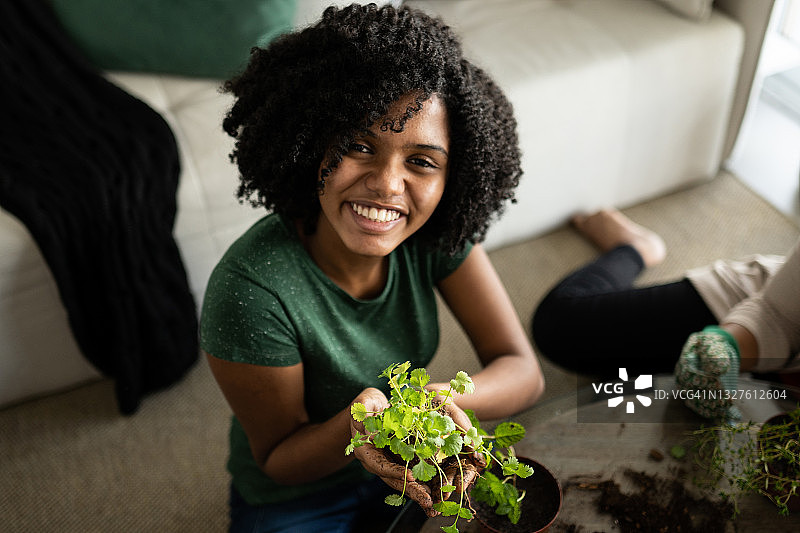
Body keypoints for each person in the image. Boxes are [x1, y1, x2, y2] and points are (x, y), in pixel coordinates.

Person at [199, 4, 545, 532]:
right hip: (300, 496)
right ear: (312, 144)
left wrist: (443, 398)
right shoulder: (249, 290)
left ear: (455, 177)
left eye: (422, 161)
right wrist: (361, 427)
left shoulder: (435, 235)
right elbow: (279, 459)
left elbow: (523, 371)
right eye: (359, 146)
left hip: (418, 465)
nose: (387, 184)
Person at [531, 208, 800, 417]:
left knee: (615, 405)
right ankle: (637, 248)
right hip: (768, 308)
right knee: (559, 326)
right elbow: (778, 315)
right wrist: (725, 346)